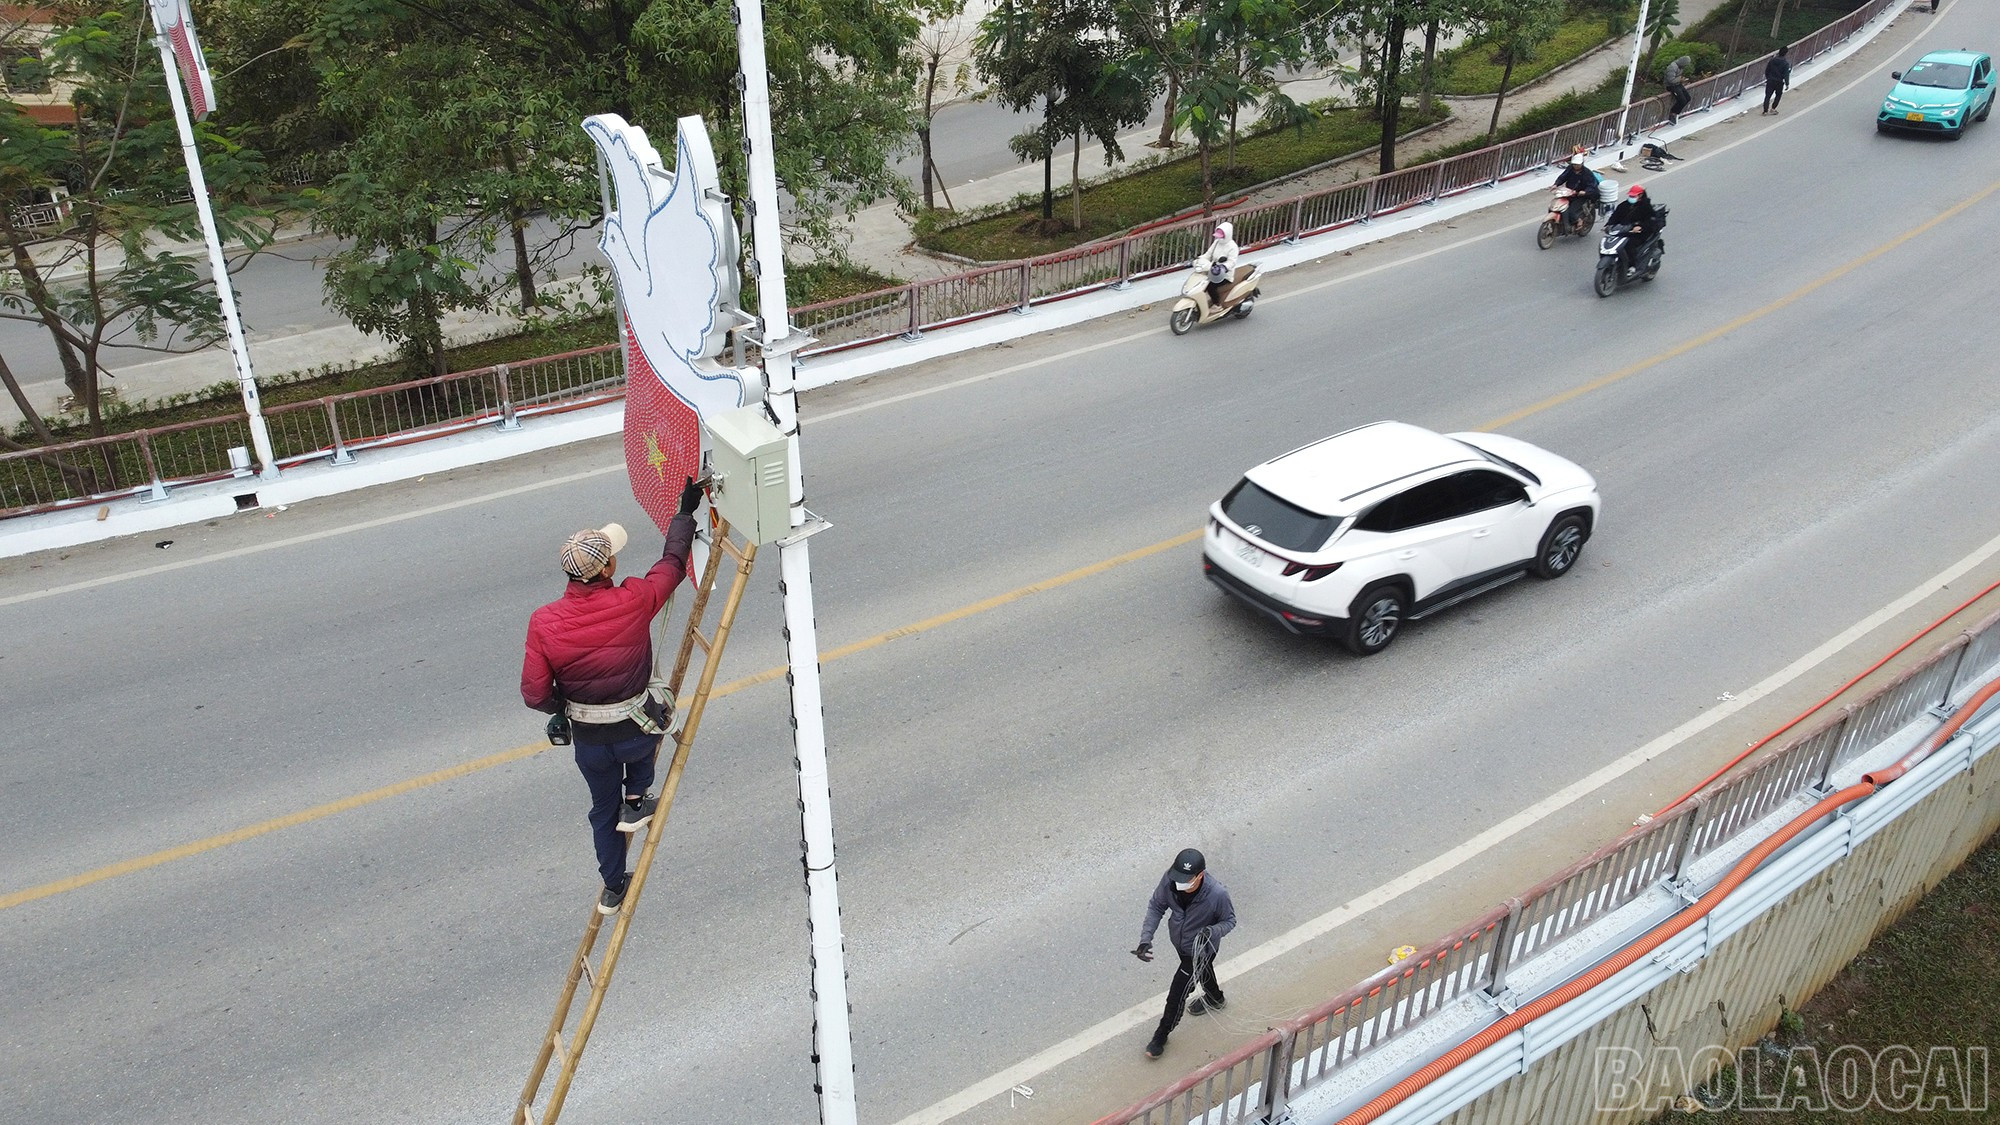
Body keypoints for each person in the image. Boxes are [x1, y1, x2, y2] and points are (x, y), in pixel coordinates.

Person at [522, 476, 704, 915]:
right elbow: (673, 564)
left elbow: (534, 694)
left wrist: (561, 708)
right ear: (606, 569)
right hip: (636, 734)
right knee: (643, 750)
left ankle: (611, 886)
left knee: (600, 809)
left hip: (590, 744)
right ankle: (638, 799)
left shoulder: (544, 622)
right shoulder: (634, 599)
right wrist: (684, 512)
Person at [1131, 848, 1238, 1060]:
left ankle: (1161, 1035)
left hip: (1200, 951)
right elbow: (1156, 906)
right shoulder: (1171, 881)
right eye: (1178, 877)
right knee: (1203, 972)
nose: (1180, 883)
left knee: (1177, 994)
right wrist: (1146, 939)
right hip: (1181, 945)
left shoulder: (1217, 894)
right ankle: (1216, 998)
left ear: (1201, 876)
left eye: (1186, 879)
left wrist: (1211, 931)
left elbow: (1230, 921)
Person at [1606, 184, 1663, 270]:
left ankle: (1632, 265)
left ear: (1640, 195)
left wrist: (1641, 227)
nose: (1631, 197)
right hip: (1624, 230)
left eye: (1633, 196)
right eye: (1630, 196)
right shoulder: (1623, 206)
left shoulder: (1646, 207)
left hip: (1640, 233)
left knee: (1629, 244)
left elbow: (1651, 221)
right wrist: (1608, 225)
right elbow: (1615, 216)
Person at [1193, 221, 1240, 304]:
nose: (1219, 238)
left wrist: (1223, 267)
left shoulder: (1233, 247)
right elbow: (1208, 254)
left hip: (1224, 275)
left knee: (1210, 286)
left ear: (1227, 234)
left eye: (1221, 236)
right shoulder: (1216, 242)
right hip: (1212, 270)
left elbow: (1231, 262)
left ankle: (1217, 304)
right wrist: (1198, 259)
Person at [1551, 152, 1601, 230]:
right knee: (1557, 205)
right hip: (1569, 193)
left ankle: (1579, 221)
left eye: (1577, 164)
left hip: (1581, 196)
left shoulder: (1587, 173)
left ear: (1582, 163)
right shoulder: (1570, 168)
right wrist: (1556, 184)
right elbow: (1563, 177)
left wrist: (1585, 192)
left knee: (1571, 211)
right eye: (1574, 164)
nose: (1575, 166)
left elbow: (1592, 185)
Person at [1762, 46, 1792, 115]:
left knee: (1767, 96)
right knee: (1778, 95)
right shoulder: (1785, 63)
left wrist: (1768, 78)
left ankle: (1765, 111)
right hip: (1779, 82)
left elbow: (1767, 70)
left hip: (1770, 80)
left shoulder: (1772, 60)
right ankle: (1773, 108)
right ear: (1785, 53)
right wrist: (1787, 84)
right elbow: (1786, 74)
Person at [1663, 55, 1692, 124]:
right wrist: (1680, 79)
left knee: (1688, 98)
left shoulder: (1680, 67)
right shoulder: (1672, 67)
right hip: (1671, 86)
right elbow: (1670, 80)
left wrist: (1681, 80)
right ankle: (1673, 113)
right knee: (1682, 100)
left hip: (1677, 84)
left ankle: (1676, 112)